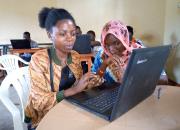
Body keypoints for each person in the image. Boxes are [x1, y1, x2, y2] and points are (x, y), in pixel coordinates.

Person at [25, 7, 99, 129]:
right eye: (63, 34)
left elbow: (78, 85)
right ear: (50, 35)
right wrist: (73, 91)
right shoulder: (39, 60)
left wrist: (94, 76)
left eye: (73, 33)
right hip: (43, 118)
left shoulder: (74, 56)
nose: (70, 38)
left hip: (68, 109)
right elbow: (39, 102)